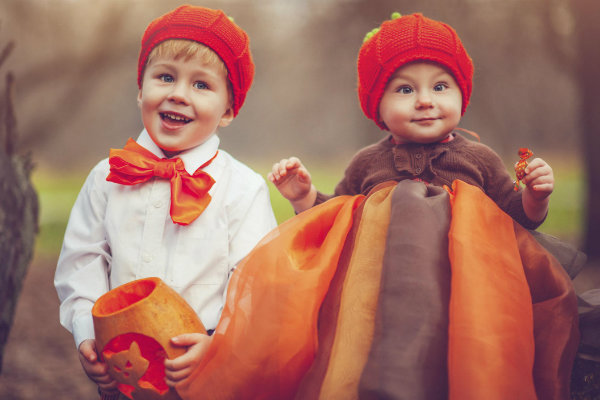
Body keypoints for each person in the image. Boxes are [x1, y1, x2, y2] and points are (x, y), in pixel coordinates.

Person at [54, 5, 276, 397]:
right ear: (141, 88)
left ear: (228, 109)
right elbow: (82, 260)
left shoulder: (243, 187)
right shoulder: (106, 177)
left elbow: (256, 282)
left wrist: (223, 342)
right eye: (165, 77)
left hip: (204, 361)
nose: (178, 94)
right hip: (119, 359)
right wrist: (87, 331)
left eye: (201, 85)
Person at [268, 12, 554, 230]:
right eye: (405, 89)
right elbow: (334, 221)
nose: (425, 100)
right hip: (382, 289)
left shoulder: (480, 160)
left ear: (462, 94)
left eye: (440, 87)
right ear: (377, 106)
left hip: (468, 289)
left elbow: (518, 218)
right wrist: (304, 197)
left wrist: (535, 198)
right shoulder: (366, 164)